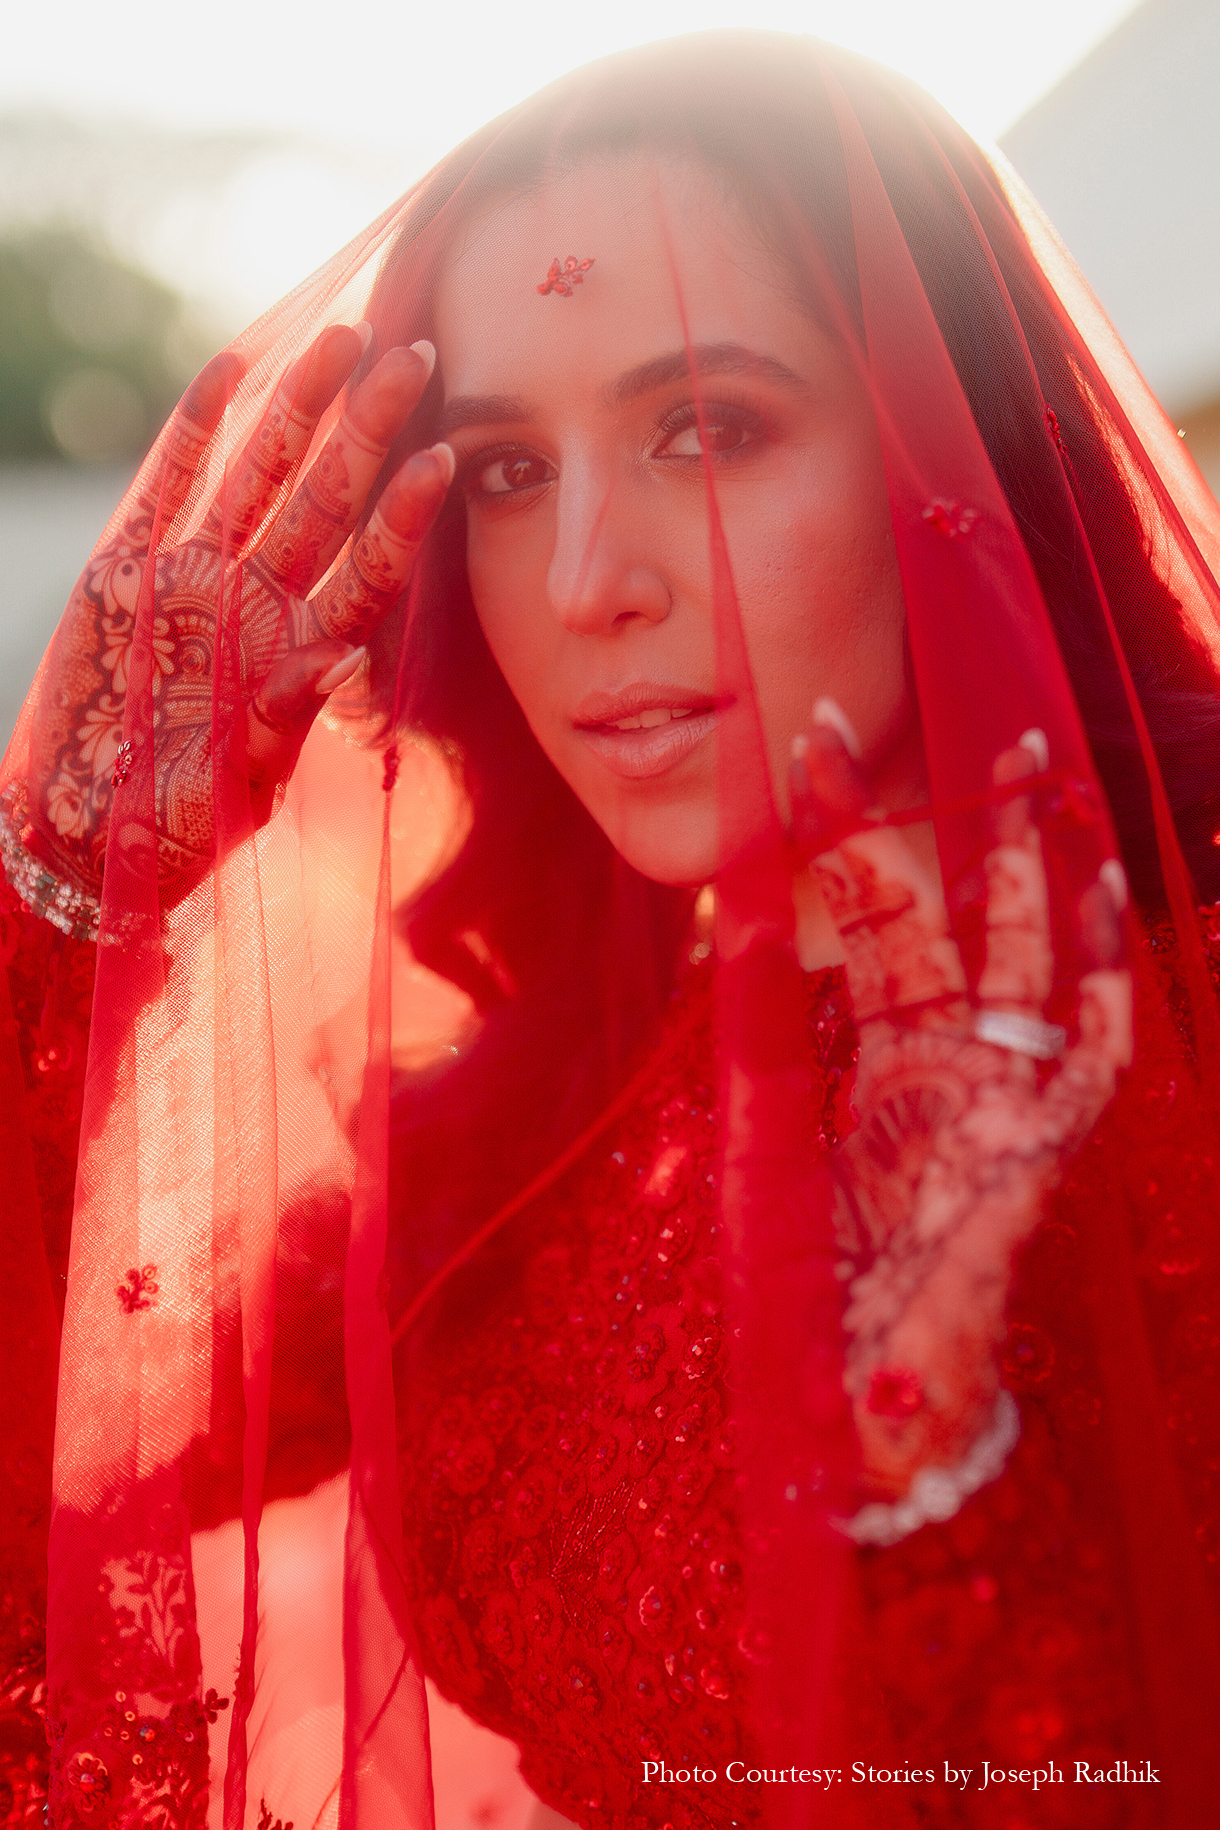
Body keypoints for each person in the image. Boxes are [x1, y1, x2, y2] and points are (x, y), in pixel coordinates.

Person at [1, 29, 1218, 1830]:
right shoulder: (519, 1118)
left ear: (947, 446)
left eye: (708, 428)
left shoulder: (1166, 1045)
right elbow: (68, 1489)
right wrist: (62, 913)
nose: (588, 583)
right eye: (501, 469)